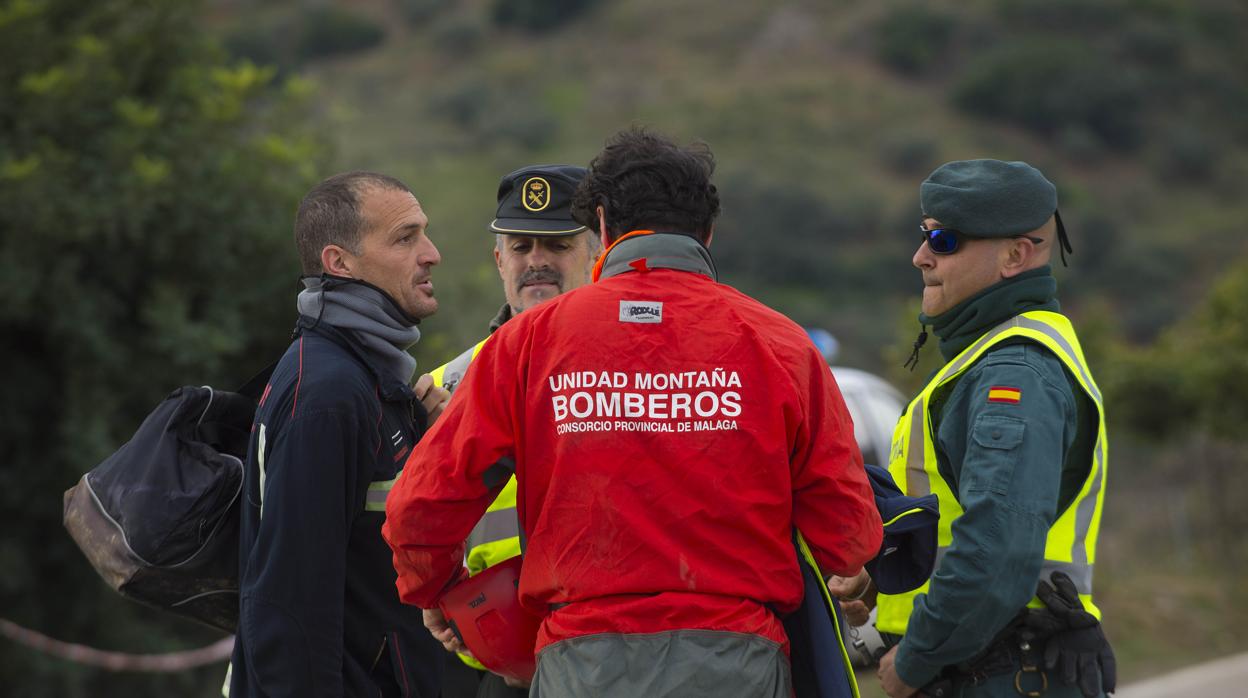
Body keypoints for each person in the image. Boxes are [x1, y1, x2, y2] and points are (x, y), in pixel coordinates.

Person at [383, 128, 883, 697]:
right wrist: (853, 568)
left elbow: (419, 508)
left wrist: (435, 589)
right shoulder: (782, 345)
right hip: (739, 660)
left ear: (601, 227)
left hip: (581, 665)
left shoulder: (525, 345)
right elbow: (848, 527)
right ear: (708, 232)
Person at [862, 160, 1113, 697]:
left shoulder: (1013, 372)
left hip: (1000, 671)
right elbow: (953, 526)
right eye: (924, 234)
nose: (920, 256)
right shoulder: (991, 358)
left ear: (1015, 255)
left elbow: (996, 549)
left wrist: (916, 659)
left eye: (944, 241)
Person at [228, 171, 449, 697]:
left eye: (424, 233)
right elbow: (291, 604)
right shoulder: (329, 395)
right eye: (405, 237)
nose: (431, 253)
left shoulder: (364, 378)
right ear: (339, 262)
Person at [429, 164, 599, 698]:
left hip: (608, 646)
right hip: (488, 659)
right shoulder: (443, 387)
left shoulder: (636, 370)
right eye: (520, 246)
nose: (537, 261)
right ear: (498, 259)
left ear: (600, 251)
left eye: (557, 244)